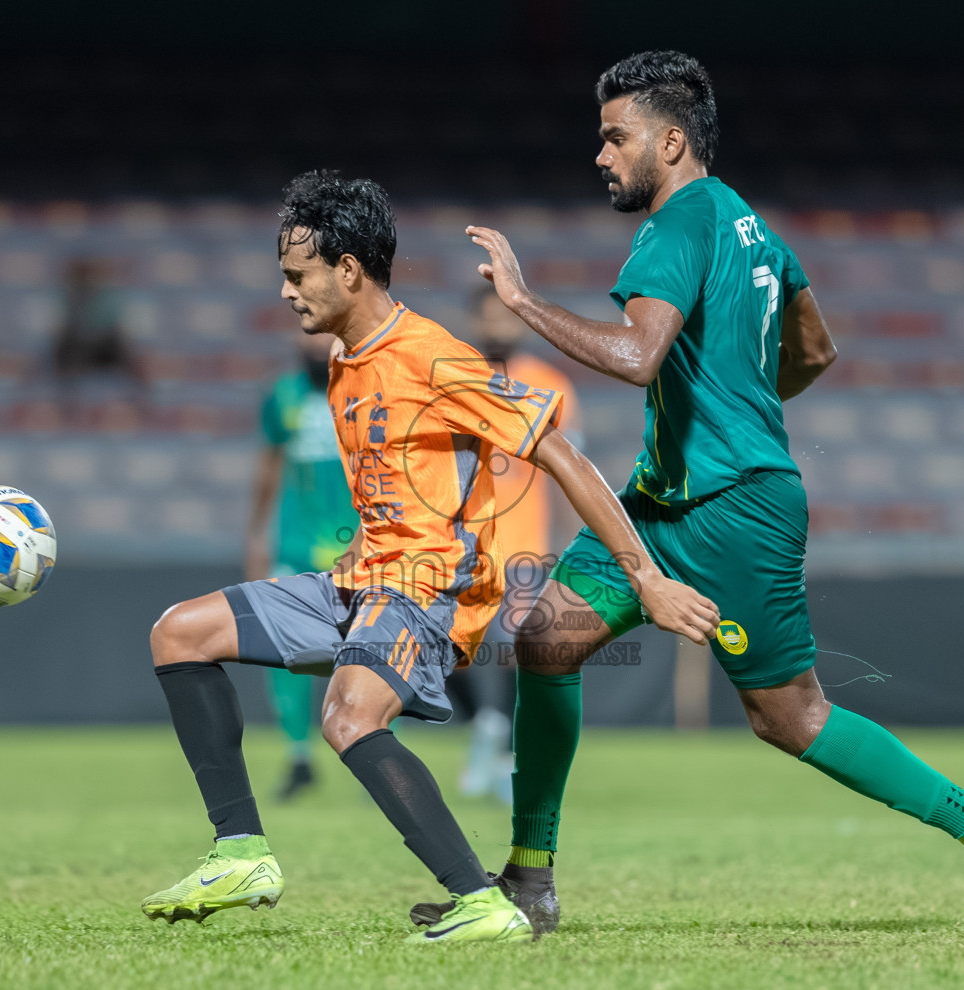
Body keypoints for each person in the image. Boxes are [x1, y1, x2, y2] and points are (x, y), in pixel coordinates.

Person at [414, 51, 964, 936]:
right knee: (546, 641)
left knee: (789, 718)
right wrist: (737, 406)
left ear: (670, 142)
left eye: (614, 137)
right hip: (664, 501)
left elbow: (638, 358)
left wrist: (522, 302)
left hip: (732, 511)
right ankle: (531, 875)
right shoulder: (752, 227)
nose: (600, 155)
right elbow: (817, 350)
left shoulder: (678, 225)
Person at [140, 170, 718, 944]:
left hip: (428, 589)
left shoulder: (434, 357)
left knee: (348, 718)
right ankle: (241, 851)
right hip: (361, 581)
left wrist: (644, 577)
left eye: (295, 274)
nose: (284, 292)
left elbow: (564, 457)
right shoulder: (346, 359)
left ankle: (479, 899)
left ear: (347, 268)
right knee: (178, 632)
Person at [448, 285, 582, 802]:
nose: (500, 328)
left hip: (525, 548)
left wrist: (573, 542)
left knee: (513, 655)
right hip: (462, 545)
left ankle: (500, 755)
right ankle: (487, 728)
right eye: (490, 318)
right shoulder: (458, 379)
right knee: (448, 650)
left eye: (508, 319)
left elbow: (574, 471)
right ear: (475, 321)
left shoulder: (549, 384)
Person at [244, 332, 357, 801]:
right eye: (308, 337)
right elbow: (269, 465)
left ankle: (368, 746)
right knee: (284, 651)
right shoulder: (282, 394)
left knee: (368, 651)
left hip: (353, 544)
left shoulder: (364, 391)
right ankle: (299, 755)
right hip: (294, 540)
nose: (317, 345)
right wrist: (257, 533)